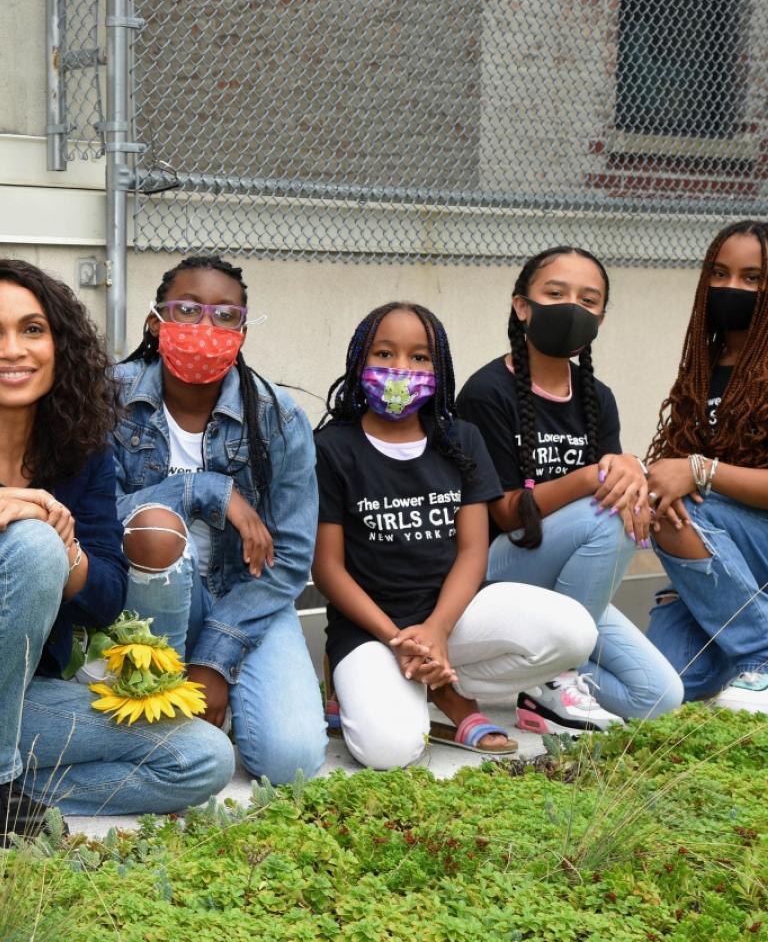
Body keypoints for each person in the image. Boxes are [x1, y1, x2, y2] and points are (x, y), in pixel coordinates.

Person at [0, 259, 233, 841]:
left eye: (32, 330)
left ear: (58, 345)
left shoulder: (82, 455)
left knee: (202, 757)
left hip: (3, 704)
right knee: (26, 539)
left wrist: (68, 548)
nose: (12, 350)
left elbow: (104, 600)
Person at [313, 302, 597, 768]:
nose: (401, 368)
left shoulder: (460, 439)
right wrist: (399, 638)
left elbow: (471, 552)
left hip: (454, 615)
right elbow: (327, 568)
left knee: (573, 632)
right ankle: (381, 682)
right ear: (359, 361)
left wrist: (438, 630)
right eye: (384, 353)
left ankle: (446, 687)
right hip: (370, 627)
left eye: (419, 357)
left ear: (439, 367)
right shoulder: (332, 448)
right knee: (391, 752)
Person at [111, 255, 326, 786]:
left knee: (291, 763)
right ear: (154, 323)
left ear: (243, 332)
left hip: (246, 598)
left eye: (224, 316)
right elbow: (98, 518)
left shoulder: (279, 417)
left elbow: (293, 556)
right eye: (186, 310)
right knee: (159, 524)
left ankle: (205, 693)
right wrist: (205, 489)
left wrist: (216, 655)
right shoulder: (106, 399)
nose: (204, 328)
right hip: (143, 597)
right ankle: (165, 704)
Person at [456, 246, 683, 730]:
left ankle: (550, 677)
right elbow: (506, 516)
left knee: (659, 695)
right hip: (498, 574)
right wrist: (591, 477)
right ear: (523, 306)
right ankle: (554, 677)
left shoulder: (598, 398)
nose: (573, 308)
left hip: (569, 581)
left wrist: (638, 483)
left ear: (601, 316)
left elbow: (619, 494)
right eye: (555, 293)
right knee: (608, 513)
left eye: (589, 300)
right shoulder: (487, 392)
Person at [645, 220, 768, 712]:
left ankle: (760, 654)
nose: (731, 288)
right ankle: (731, 624)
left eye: (751, 278)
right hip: (729, 557)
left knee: (685, 508)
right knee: (658, 684)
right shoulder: (704, 365)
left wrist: (701, 470)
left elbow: (695, 476)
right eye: (720, 274)